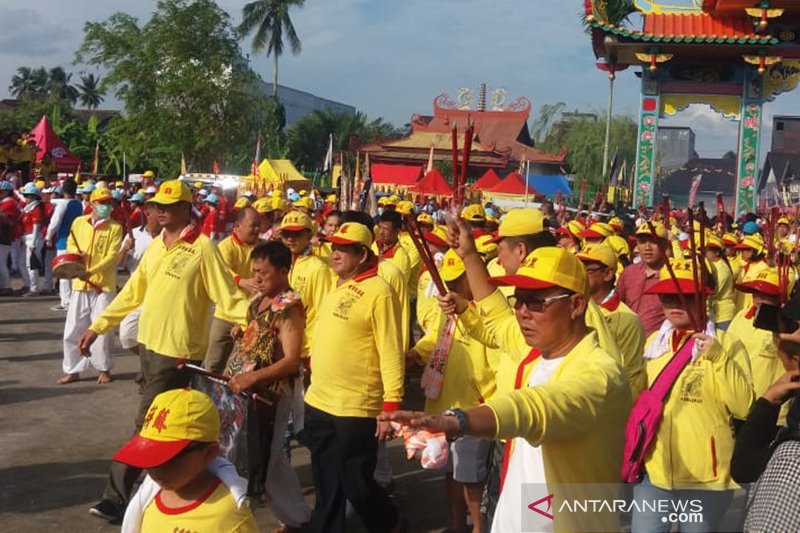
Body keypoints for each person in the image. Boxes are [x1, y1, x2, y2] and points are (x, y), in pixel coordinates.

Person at [385, 244, 632, 533]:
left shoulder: (599, 374)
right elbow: (498, 318)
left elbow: (534, 407)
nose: (522, 312)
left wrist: (456, 421)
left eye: (536, 302)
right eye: (519, 300)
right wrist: (470, 256)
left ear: (576, 305)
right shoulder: (540, 350)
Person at [79, 179, 250, 522]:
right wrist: (99, 326)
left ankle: (116, 497)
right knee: (163, 425)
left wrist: (254, 319)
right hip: (150, 346)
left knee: (147, 423)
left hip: (179, 353)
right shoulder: (156, 246)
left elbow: (226, 296)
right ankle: (164, 485)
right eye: (158, 205)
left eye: (169, 206)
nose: (161, 210)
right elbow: (132, 294)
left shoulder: (203, 248)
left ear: (187, 209)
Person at [630, 257, 754, 533]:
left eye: (685, 296)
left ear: (705, 298)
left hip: (705, 479)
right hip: (654, 473)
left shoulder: (728, 344)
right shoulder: (654, 344)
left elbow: (744, 407)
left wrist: (718, 357)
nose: (675, 304)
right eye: (667, 296)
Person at [303, 221, 404, 533]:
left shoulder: (380, 292)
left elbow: (391, 350)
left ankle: (388, 522)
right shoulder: (337, 285)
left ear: (362, 254)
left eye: (343, 249)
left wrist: (391, 407)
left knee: (356, 481)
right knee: (325, 477)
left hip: (355, 406)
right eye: (333, 247)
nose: (334, 254)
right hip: (319, 399)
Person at [407, 249, 497, 533]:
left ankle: (479, 527)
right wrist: (414, 354)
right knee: (450, 472)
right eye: (448, 282)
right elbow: (435, 337)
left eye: (458, 281)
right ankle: (456, 525)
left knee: (470, 477)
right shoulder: (450, 308)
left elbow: (497, 362)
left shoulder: (489, 314)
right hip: (442, 402)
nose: (451, 288)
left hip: (473, 409)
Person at [226, 241, 312, 531]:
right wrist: (243, 332)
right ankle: (297, 516)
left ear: (284, 272)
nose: (257, 278)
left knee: (268, 457)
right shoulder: (259, 301)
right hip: (249, 391)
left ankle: (296, 519)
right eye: (254, 272)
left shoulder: (289, 307)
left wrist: (252, 378)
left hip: (272, 393)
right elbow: (259, 339)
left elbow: (290, 361)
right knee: (270, 458)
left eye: (264, 273)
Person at [116, 388, 258, 532]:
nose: (155, 468)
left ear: (209, 453)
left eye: (168, 459)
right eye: (149, 457)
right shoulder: (148, 501)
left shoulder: (229, 516)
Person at [59, 187, 123, 385]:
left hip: (103, 285)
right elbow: (70, 243)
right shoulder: (79, 223)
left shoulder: (115, 227)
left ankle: (103, 368)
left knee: (102, 329)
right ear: (92, 204)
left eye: (108, 203)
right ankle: (73, 369)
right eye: (102, 202)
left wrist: (92, 271)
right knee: (73, 328)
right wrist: (76, 258)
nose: (106, 206)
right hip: (80, 283)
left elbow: (112, 256)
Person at [576, 243, 646, 397]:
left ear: (608, 274)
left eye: (587, 270)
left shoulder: (627, 320)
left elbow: (632, 377)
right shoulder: (574, 308)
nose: (579, 275)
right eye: (578, 268)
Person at [203, 207, 261, 373]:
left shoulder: (262, 248)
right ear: (238, 225)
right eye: (253, 225)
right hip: (226, 314)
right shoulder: (226, 247)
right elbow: (221, 272)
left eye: (259, 225)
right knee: (213, 364)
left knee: (247, 366)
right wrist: (240, 281)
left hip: (252, 315)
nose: (257, 229)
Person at [117, 202, 161, 356]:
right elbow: (119, 263)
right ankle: (147, 363)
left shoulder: (169, 236)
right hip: (136, 293)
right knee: (127, 335)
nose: (163, 216)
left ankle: (153, 370)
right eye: (159, 212)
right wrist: (125, 248)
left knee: (155, 338)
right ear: (148, 214)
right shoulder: (134, 235)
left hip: (160, 294)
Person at [617, 221, 669, 336]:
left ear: (665, 245)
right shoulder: (629, 273)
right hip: (627, 341)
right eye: (642, 242)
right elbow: (618, 306)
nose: (647, 248)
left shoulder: (673, 276)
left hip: (658, 346)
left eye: (653, 242)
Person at [45, 178, 84, 311]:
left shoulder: (62, 205)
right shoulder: (79, 204)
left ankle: (66, 302)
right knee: (74, 272)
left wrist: (48, 237)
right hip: (77, 241)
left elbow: (54, 224)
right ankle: (74, 301)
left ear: (63, 190)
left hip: (63, 241)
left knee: (63, 273)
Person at [20, 182, 45, 296]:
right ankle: (29, 285)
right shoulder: (29, 207)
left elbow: (36, 227)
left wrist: (33, 244)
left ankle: (34, 288)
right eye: (26, 195)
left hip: (33, 239)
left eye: (29, 195)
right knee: (24, 264)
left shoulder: (36, 209)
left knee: (32, 265)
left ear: (34, 196)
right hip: (27, 238)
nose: (26, 197)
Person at [373, 210, 411, 282]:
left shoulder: (401, 257)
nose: (381, 232)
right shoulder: (374, 245)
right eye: (380, 227)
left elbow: (398, 285)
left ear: (397, 231)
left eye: (385, 229)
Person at [0, 181, 18, 295]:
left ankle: (6, 286)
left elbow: (9, 221)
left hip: (4, 236)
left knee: (1, 263)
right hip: (3, 236)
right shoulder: (5, 203)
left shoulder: (9, 203)